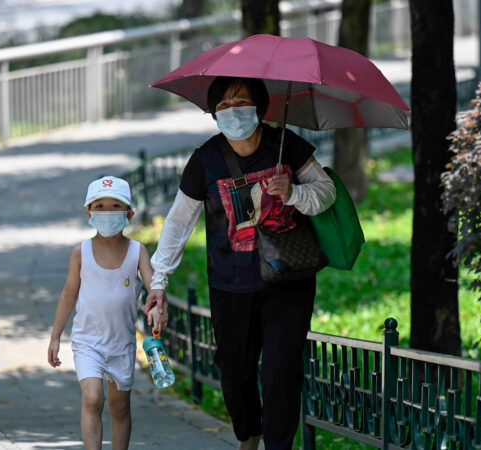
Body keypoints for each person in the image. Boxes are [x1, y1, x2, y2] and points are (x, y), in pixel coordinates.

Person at [145, 77, 336, 450]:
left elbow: (326, 192)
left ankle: (278, 446)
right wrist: (159, 281)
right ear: (214, 112)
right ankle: (249, 436)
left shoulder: (287, 145)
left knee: (282, 370)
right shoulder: (205, 160)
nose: (234, 110)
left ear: (259, 106)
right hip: (230, 284)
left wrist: (294, 192)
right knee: (235, 373)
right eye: (225, 104)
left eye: (242, 100)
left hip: (287, 279)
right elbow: (179, 221)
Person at [47, 175, 167, 450]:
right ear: (88, 212)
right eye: (99, 206)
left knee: (119, 407)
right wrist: (55, 337)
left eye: (115, 206)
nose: (107, 212)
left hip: (122, 344)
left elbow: (154, 286)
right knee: (92, 398)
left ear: (129, 214)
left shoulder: (138, 251)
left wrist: (159, 305)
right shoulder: (81, 252)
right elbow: (68, 294)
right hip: (88, 341)